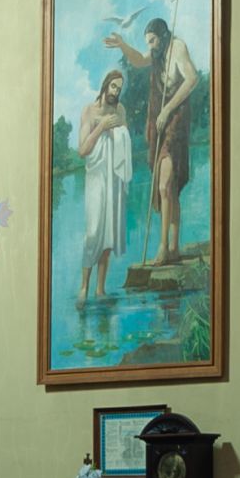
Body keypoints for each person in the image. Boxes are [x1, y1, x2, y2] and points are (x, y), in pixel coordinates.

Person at [105, 13, 201, 264]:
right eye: (148, 42)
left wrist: (167, 109)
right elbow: (138, 60)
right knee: (169, 188)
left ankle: (163, 247)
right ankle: (173, 247)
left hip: (176, 121)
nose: (150, 46)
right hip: (159, 124)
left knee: (165, 185)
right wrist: (123, 45)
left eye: (152, 41)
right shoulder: (157, 55)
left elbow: (192, 78)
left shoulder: (177, 48)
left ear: (163, 36)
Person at [74, 67, 133, 302]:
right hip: (96, 178)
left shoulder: (120, 110)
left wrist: (119, 131)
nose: (115, 92)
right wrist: (101, 127)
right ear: (105, 85)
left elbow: (125, 141)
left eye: (119, 88)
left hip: (114, 177)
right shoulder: (89, 111)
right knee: (93, 232)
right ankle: (83, 287)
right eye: (113, 86)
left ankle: (100, 290)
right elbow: (82, 150)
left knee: (109, 232)